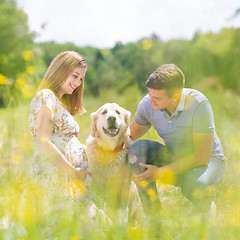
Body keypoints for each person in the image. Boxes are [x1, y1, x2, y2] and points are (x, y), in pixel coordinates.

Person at [127, 64, 225, 216]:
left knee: (195, 184)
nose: (151, 101)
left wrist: (160, 172)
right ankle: (153, 218)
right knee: (136, 150)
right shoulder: (147, 104)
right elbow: (128, 137)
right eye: (149, 94)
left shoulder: (198, 104)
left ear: (175, 96)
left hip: (208, 161)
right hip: (175, 156)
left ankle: (207, 208)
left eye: (157, 98)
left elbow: (202, 157)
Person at [28, 51, 91, 192]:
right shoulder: (46, 95)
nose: (77, 83)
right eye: (75, 76)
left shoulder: (60, 104)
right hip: (53, 176)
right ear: (60, 70)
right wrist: (73, 172)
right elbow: (43, 142)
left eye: (81, 79)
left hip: (66, 177)